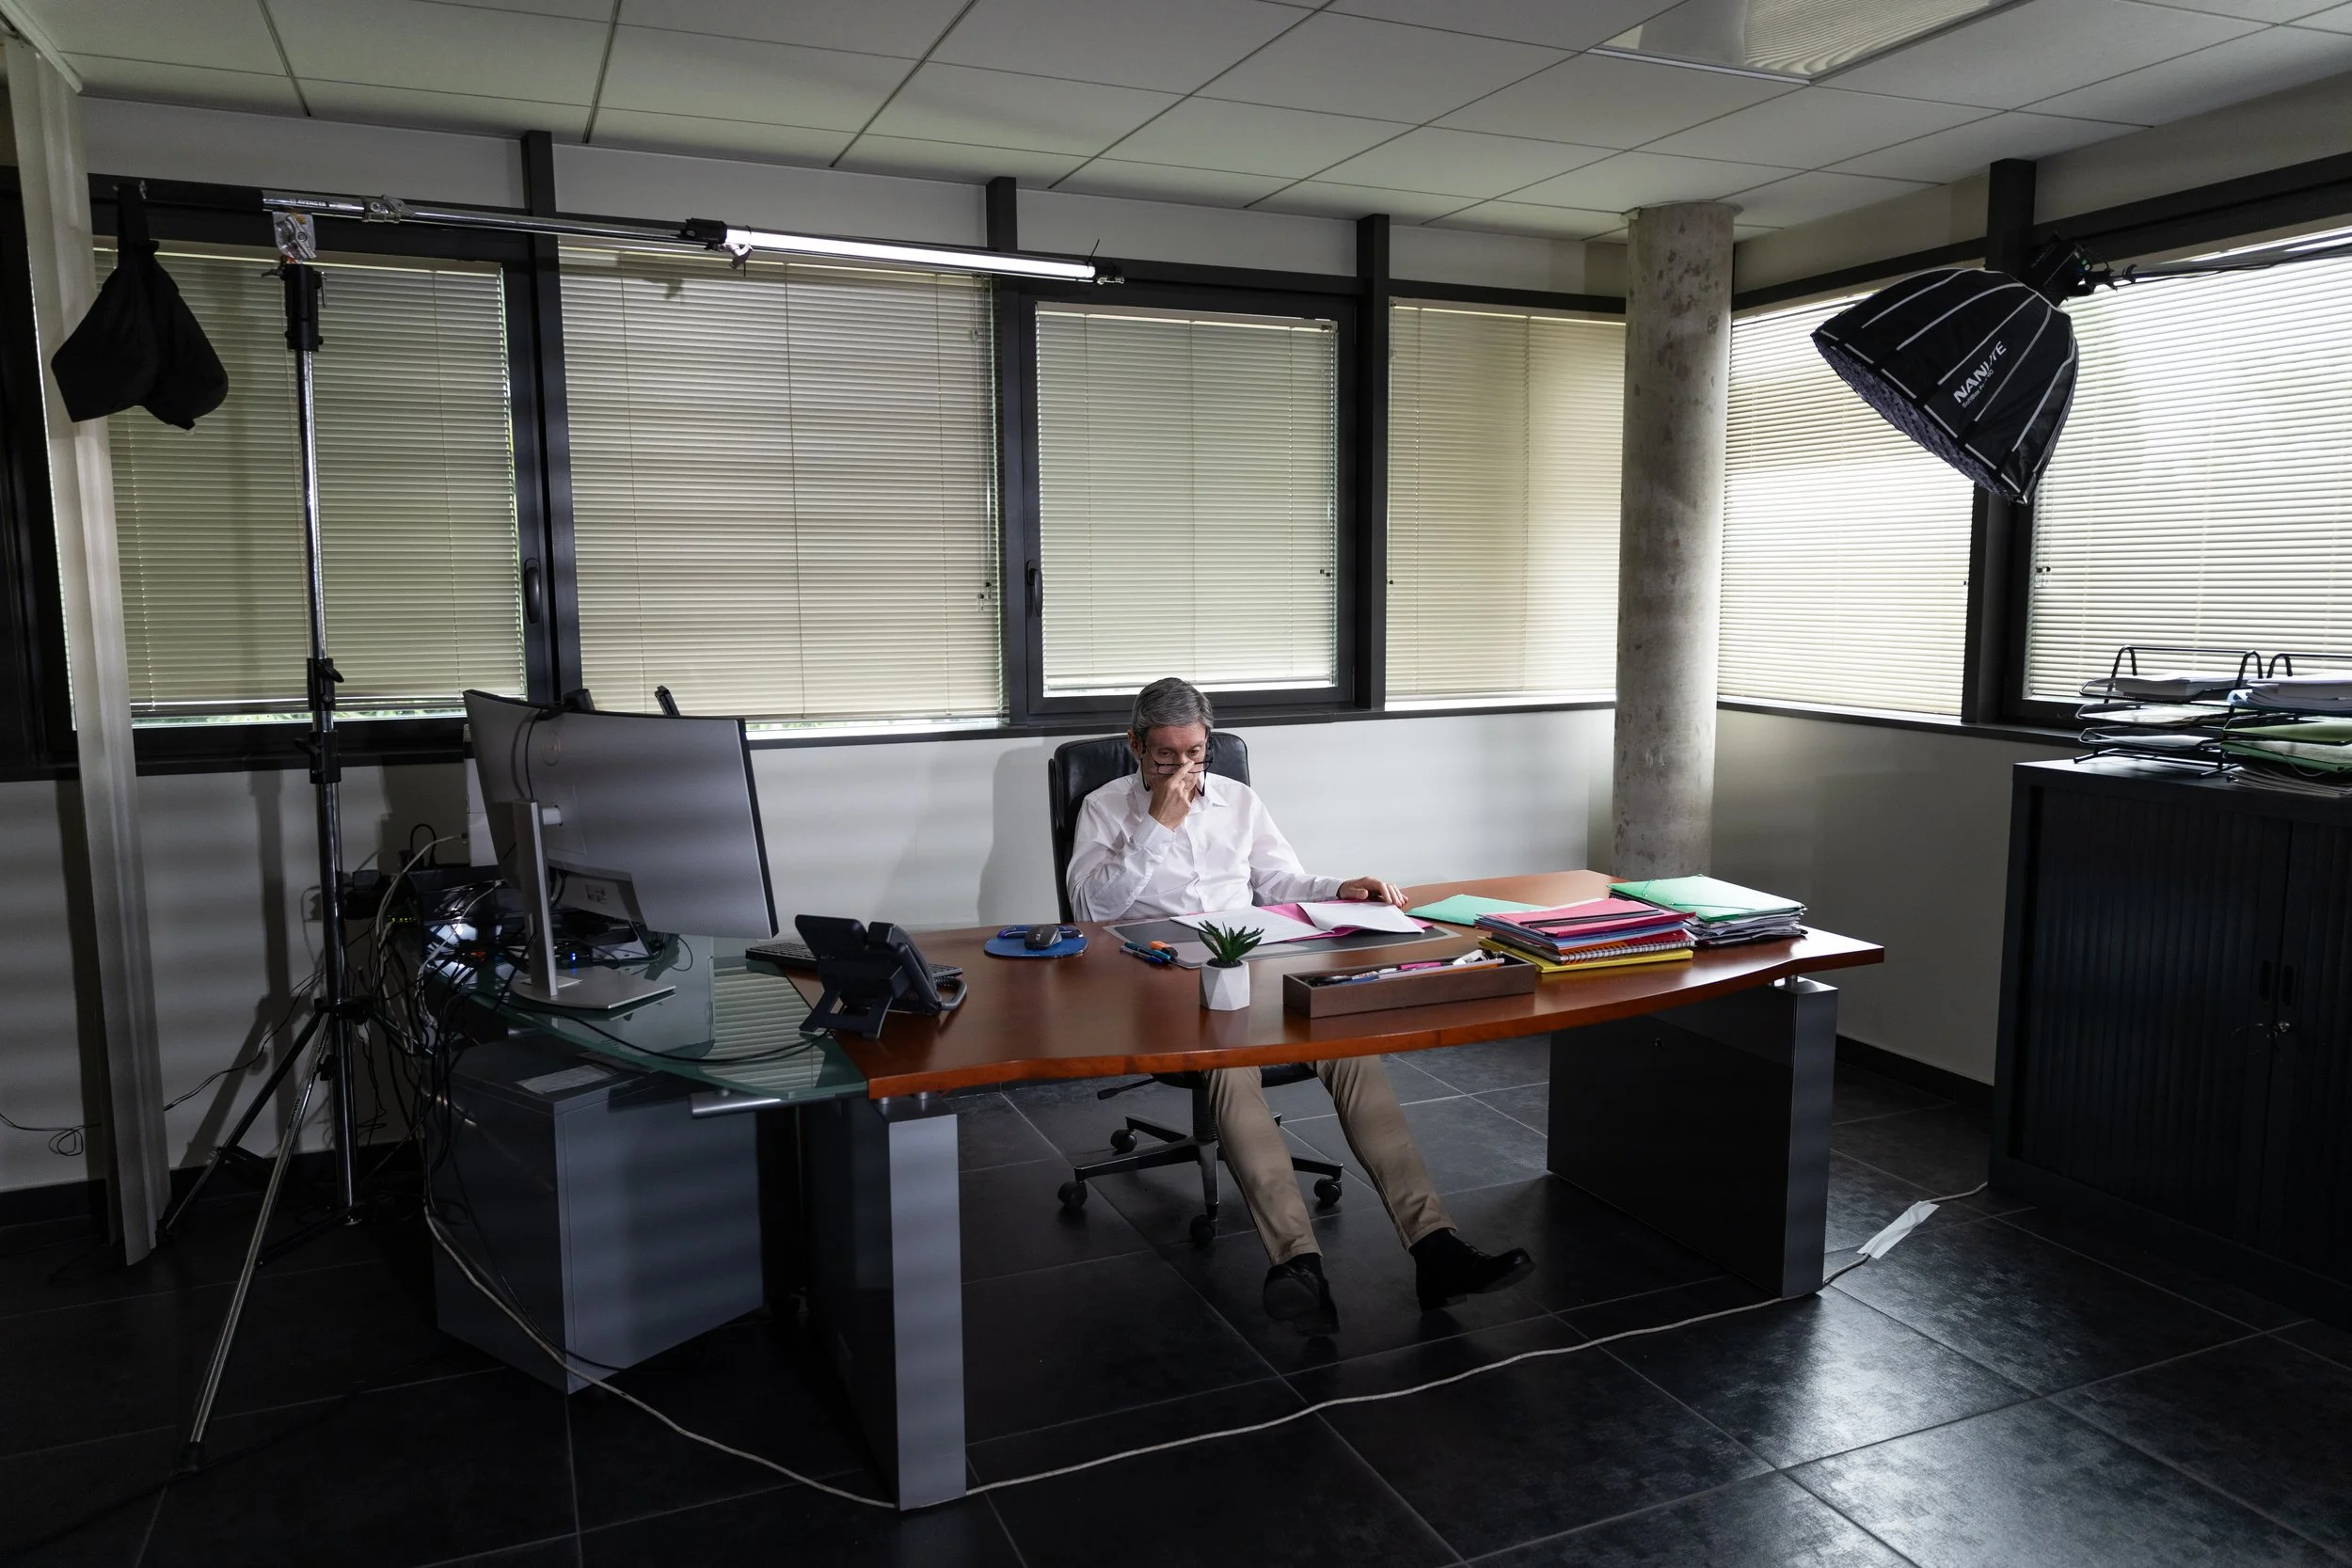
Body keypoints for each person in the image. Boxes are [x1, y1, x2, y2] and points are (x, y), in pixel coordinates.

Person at [1067, 676, 1534, 1336]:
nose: (1181, 770)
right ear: (1133, 745)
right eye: (1163, 756)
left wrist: (1340, 886)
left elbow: (1280, 880)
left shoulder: (1239, 800)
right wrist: (1154, 828)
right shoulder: (1104, 808)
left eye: (1195, 754)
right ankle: (1298, 1262)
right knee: (1232, 1069)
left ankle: (1436, 1247)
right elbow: (1091, 911)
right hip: (1157, 978)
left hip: (1253, 957)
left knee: (1352, 1053)